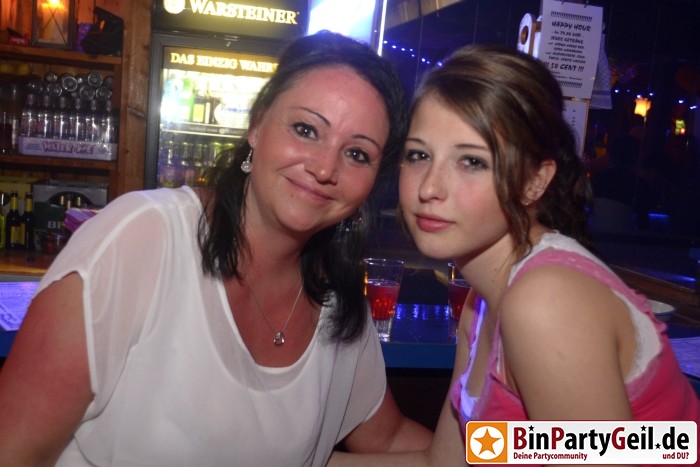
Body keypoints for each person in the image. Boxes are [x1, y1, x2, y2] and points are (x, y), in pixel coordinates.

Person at [0, 31, 431, 466]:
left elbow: (393, 440)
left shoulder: (339, 303)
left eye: (357, 154)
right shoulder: (141, 237)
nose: (324, 168)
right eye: (306, 130)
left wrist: (480, 407)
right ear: (257, 125)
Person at [331, 44, 699, 466]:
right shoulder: (482, 300)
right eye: (419, 155)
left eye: (471, 161)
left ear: (534, 182)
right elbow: (446, 462)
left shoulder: (545, 301)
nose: (429, 187)